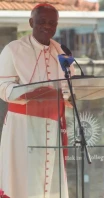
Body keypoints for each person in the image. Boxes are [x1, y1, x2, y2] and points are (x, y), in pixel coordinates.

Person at [0, 4, 74, 198]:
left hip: (52, 123)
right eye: (41, 22)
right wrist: (29, 92)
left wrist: (68, 95)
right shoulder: (13, 50)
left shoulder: (62, 52)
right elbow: (2, 87)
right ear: (31, 22)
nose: (46, 26)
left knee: (51, 179)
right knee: (24, 179)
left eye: (52, 23)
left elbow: (68, 86)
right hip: (22, 126)